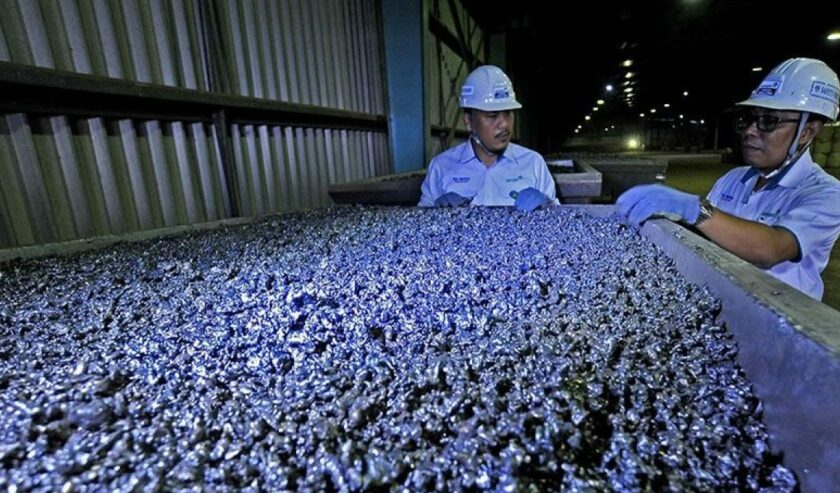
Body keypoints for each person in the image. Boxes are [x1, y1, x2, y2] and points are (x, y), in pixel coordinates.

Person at [616, 58, 840, 300]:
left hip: (780, 321)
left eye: (768, 121)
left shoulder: (826, 193)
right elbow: (707, 235)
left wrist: (695, 209)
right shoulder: (733, 179)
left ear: (807, 132)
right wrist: (673, 219)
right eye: (750, 119)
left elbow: (771, 248)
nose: (750, 131)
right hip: (722, 305)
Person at [418, 65, 558, 212]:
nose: (504, 124)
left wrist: (547, 205)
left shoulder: (533, 163)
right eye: (492, 115)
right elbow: (418, 226)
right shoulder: (441, 167)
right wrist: (434, 211)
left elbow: (560, 225)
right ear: (469, 121)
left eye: (508, 113)